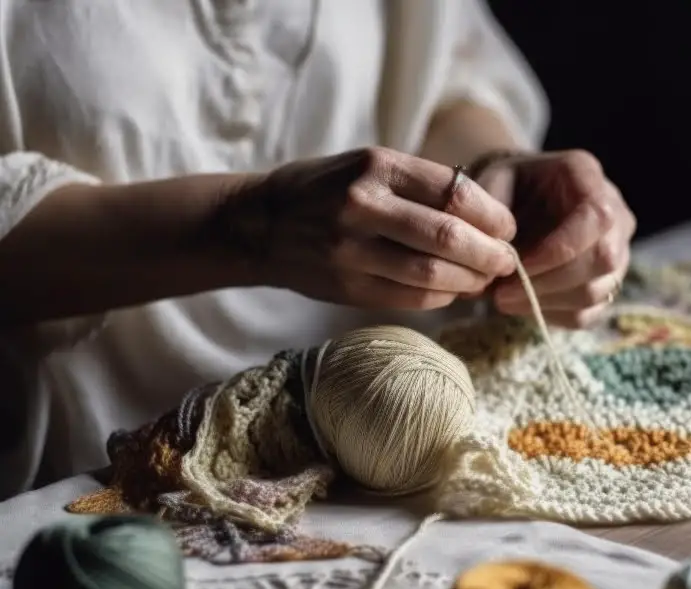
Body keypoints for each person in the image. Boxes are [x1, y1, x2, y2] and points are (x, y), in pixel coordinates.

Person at [0, 0, 636, 499]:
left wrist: (495, 177)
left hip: (390, 441)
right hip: (102, 472)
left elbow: (446, 75)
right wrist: (248, 224)